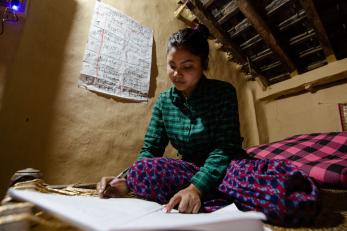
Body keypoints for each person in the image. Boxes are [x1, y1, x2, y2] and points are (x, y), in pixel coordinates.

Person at [97, 25, 319, 226]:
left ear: (203, 64)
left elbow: (225, 148)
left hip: (227, 167)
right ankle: (221, 197)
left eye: (187, 66)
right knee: (143, 171)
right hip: (189, 168)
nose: (177, 74)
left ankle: (204, 196)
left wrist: (196, 188)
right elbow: (151, 149)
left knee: (287, 202)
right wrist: (126, 180)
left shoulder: (223, 92)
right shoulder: (164, 102)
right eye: (172, 66)